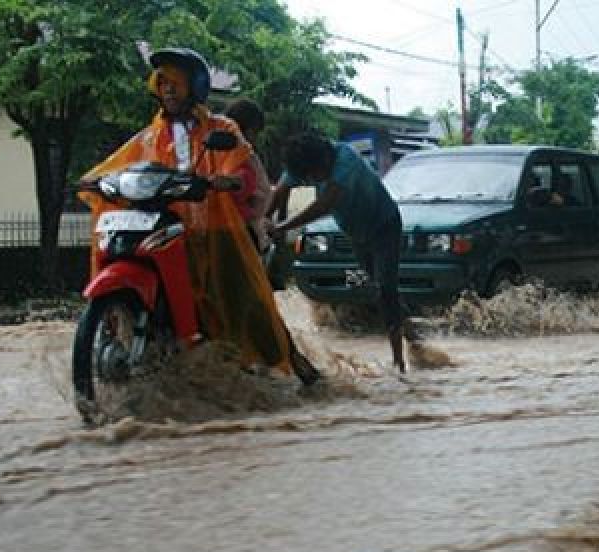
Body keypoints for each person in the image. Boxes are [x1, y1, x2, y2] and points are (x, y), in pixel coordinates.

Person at [79, 48, 317, 384]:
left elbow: (245, 170)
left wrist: (229, 180)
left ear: (196, 86)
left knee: (250, 305)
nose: (169, 90)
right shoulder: (150, 135)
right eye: (163, 83)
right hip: (166, 228)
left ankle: (295, 366)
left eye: (176, 83)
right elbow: (122, 161)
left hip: (219, 233)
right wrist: (96, 180)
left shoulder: (221, 128)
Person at [269, 133, 408, 372]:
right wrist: (263, 218)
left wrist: (282, 227)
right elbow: (280, 191)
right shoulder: (305, 161)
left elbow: (325, 203)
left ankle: (399, 362)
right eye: (308, 178)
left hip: (384, 225)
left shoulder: (346, 160)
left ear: (323, 160)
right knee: (381, 289)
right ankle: (410, 330)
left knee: (385, 288)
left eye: (315, 175)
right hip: (357, 232)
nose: (313, 179)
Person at [221, 98, 274, 253]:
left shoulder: (241, 153)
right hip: (238, 224)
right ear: (250, 129)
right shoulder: (244, 154)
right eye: (255, 131)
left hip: (241, 224)